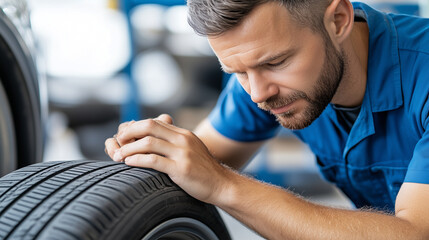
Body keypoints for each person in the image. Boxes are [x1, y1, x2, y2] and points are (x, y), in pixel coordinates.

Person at [105, 0, 429, 239]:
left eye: (276, 62)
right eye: (238, 72)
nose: (258, 94)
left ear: (339, 20)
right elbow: (199, 161)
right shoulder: (260, 75)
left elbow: (414, 234)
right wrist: (156, 150)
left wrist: (223, 184)